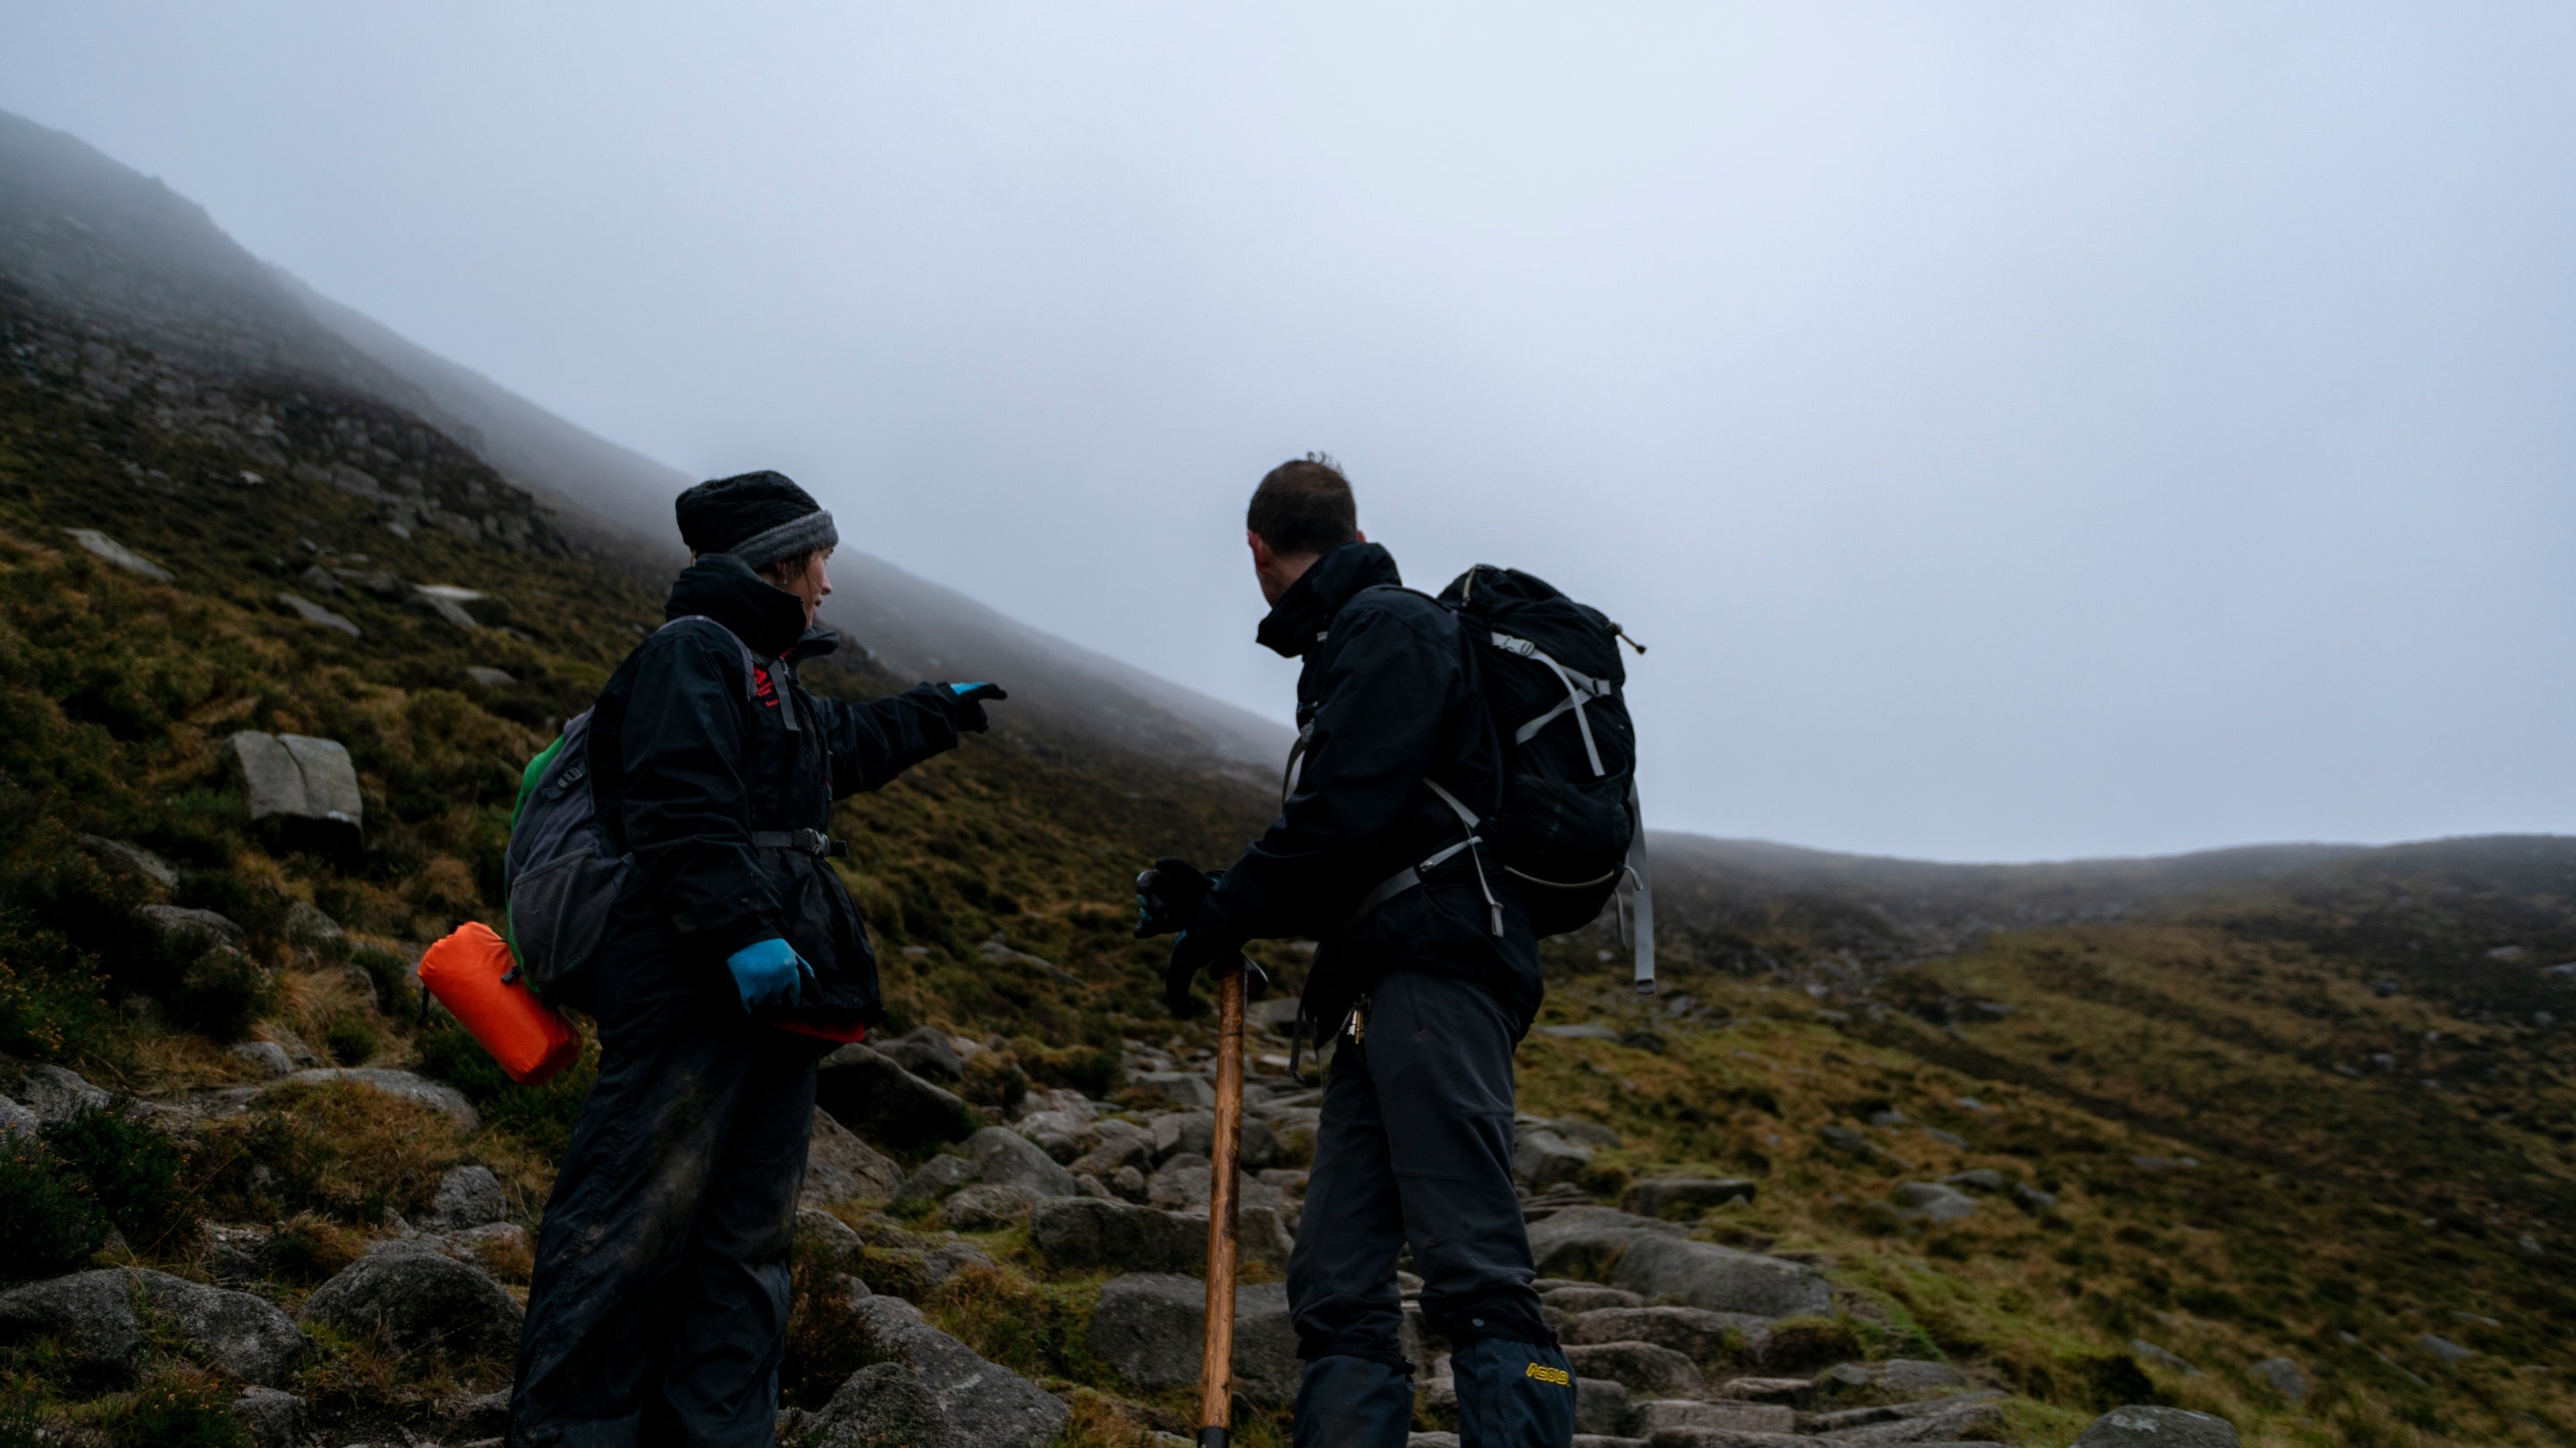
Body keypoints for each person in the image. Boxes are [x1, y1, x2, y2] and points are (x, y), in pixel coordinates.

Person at [509, 470, 1005, 1447]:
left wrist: (933, 709)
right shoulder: (693, 653)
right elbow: (680, 804)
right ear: (780, 559)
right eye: (822, 561)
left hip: (770, 997)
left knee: (745, 1239)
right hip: (691, 980)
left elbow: (840, 744)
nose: (829, 584)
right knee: (631, 1221)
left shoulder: (766, 676)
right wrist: (742, 930)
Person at [1136, 456, 1575, 1448]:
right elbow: (1361, 842)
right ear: (1348, 524)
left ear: (1257, 547)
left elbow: (1347, 815)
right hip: (1387, 979)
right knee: (1336, 1272)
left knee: (1472, 1260)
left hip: (1441, 969)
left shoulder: (1390, 626)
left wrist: (1224, 913)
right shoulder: (1358, 638)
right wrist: (1215, 899)